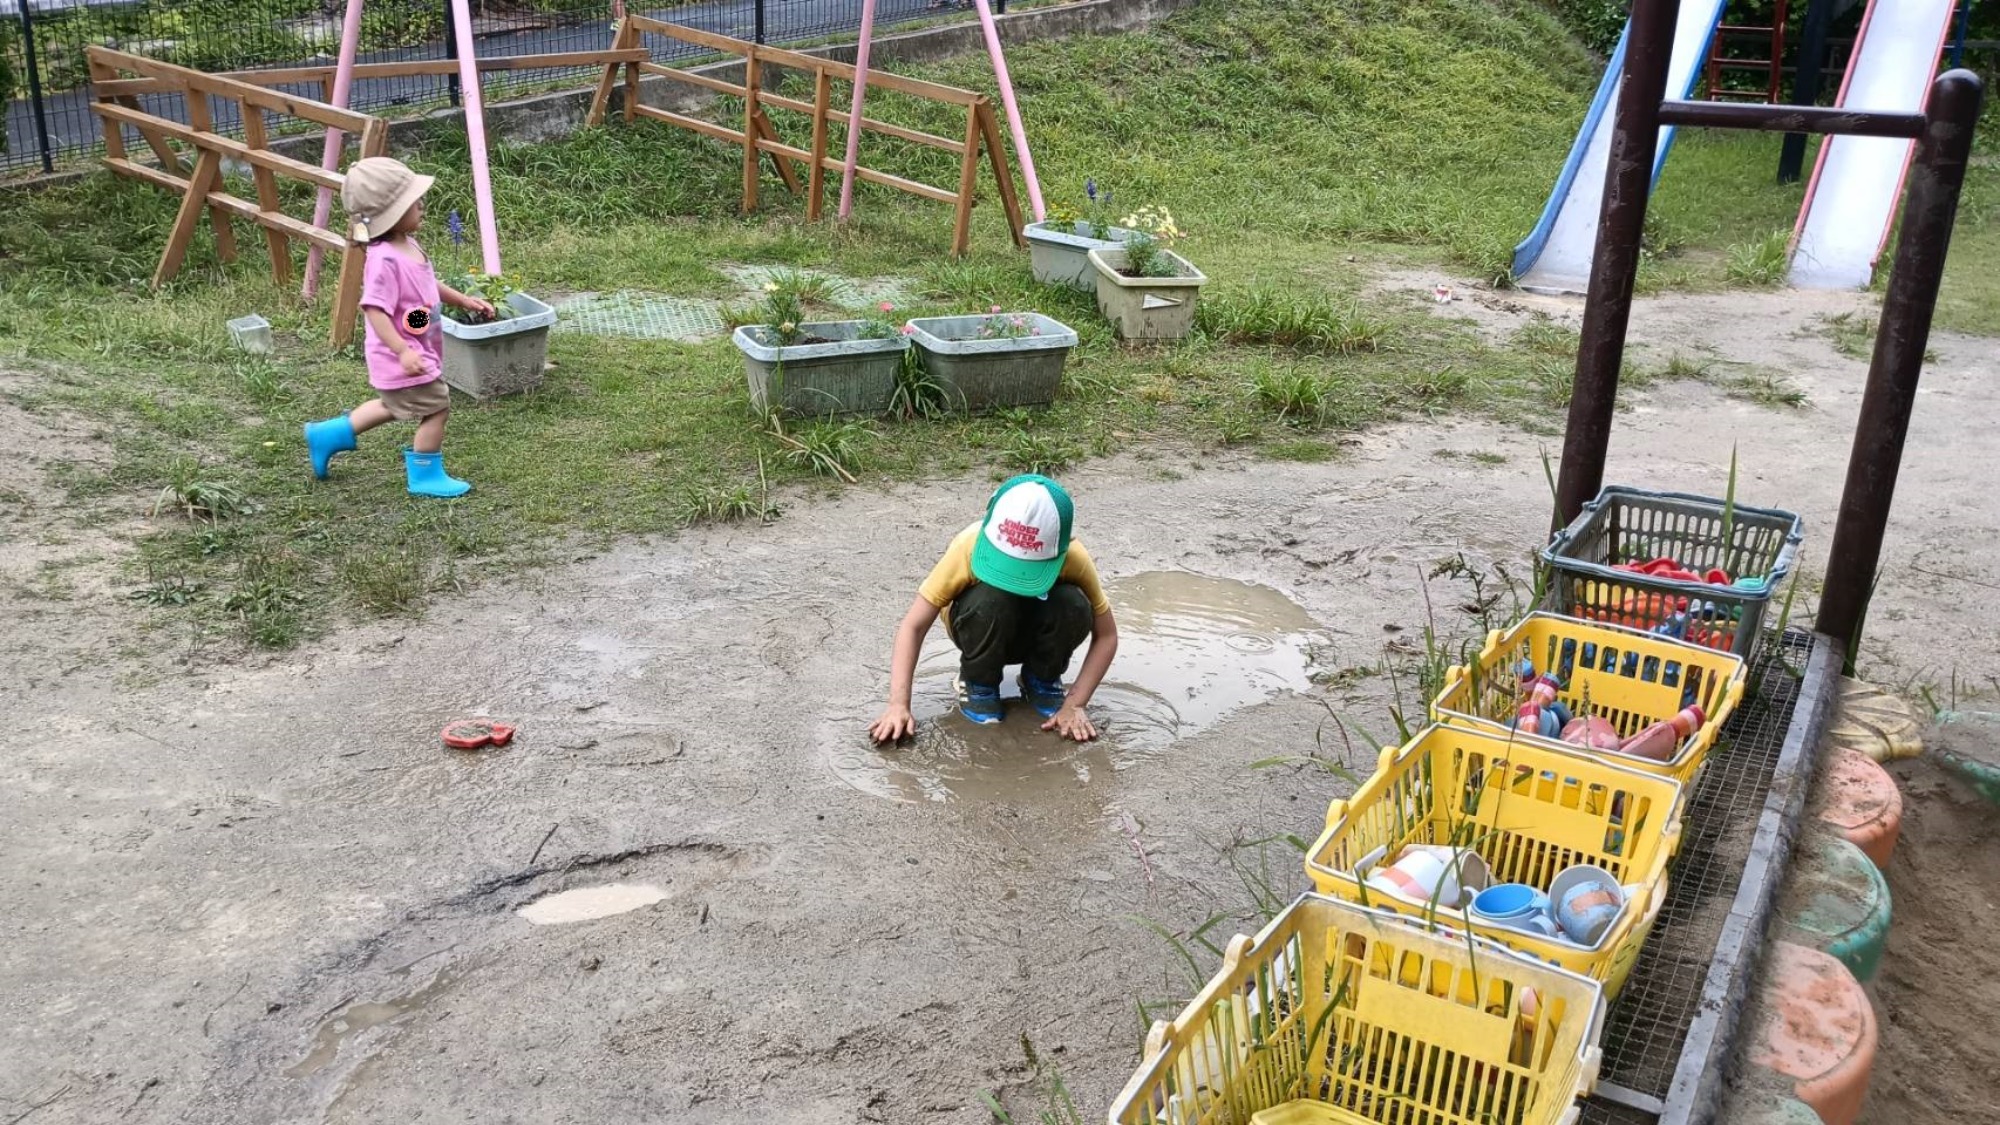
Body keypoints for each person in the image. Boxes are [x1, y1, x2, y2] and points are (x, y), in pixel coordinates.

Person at [869, 475, 1119, 744]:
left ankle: (1042, 678)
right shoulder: (968, 545)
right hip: (981, 624)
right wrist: (898, 704)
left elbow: (1107, 636)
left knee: (1073, 603)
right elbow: (913, 626)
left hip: (1036, 629)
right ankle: (979, 683)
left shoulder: (1074, 557)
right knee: (992, 598)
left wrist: (1075, 704)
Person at [302, 157, 494, 498]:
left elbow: (426, 287)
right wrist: (403, 350)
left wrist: (462, 300)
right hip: (403, 352)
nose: (421, 204)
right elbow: (374, 309)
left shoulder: (408, 244)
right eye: (411, 201)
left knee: (394, 405)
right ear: (388, 214)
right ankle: (425, 475)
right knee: (436, 406)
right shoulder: (384, 259)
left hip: (416, 341)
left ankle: (328, 435)